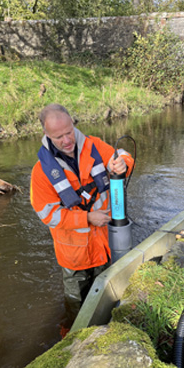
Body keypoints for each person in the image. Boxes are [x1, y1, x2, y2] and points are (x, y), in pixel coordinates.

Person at [30, 103, 134, 332]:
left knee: (106, 296)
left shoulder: (95, 146)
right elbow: (48, 215)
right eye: (58, 137)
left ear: (73, 124)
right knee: (76, 305)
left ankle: (104, 332)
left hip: (104, 246)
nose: (67, 140)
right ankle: (73, 343)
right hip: (73, 255)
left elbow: (124, 156)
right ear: (45, 135)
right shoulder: (41, 172)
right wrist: (87, 218)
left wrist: (122, 163)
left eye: (69, 132)